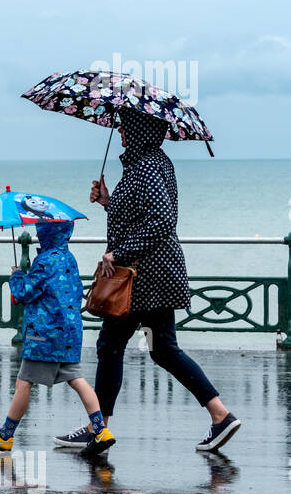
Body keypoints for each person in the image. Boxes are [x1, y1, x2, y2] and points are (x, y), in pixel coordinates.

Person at [55, 110, 240, 453]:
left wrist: (119, 254)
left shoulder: (150, 165)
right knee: (156, 349)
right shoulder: (145, 164)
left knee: (117, 346)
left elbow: (161, 219)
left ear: (141, 130)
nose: (121, 133)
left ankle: (101, 428)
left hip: (146, 278)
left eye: (126, 128)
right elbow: (141, 217)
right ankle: (219, 415)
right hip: (151, 276)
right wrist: (109, 202)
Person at [0, 220, 113, 458]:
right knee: (77, 378)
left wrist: (17, 275)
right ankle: (101, 431)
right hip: (70, 332)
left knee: (24, 383)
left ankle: (5, 436)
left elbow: (23, 292)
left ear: (45, 234)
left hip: (44, 334)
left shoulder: (45, 261)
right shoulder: (70, 258)